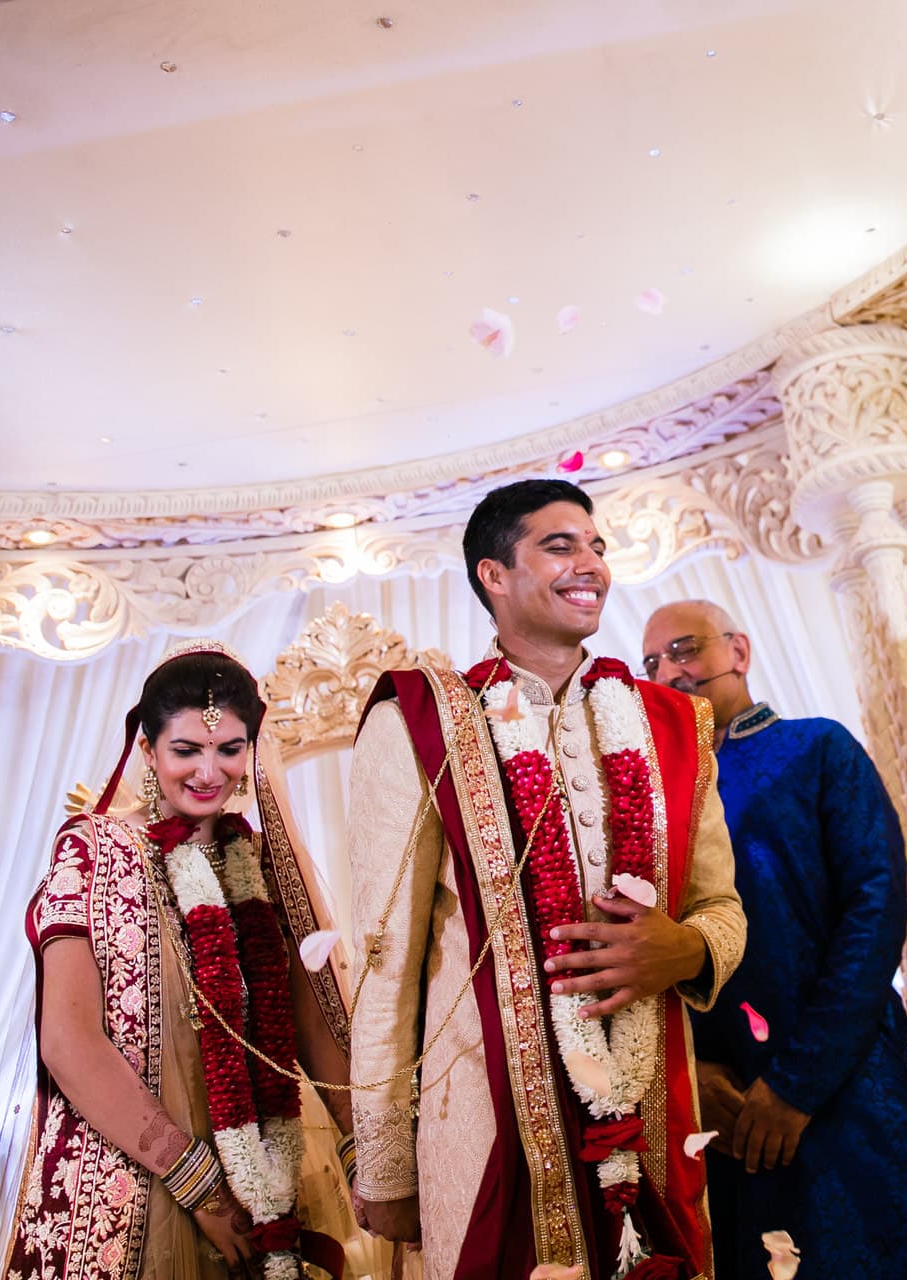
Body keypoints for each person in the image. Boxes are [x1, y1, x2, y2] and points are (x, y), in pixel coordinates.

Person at [346, 479, 748, 1278]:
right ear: (494, 575)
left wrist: (689, 951)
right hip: (488, 1123)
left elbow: (719, 906)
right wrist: (387, 1161)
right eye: (559, 546)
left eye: (596, 547)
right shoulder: (419, 721)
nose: (590, 563)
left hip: (654, 1115)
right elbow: (385, 959)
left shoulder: (674, 725)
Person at [4, 642, 371, 1279]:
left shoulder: (256, 860)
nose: (209, 771)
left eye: (230, 749)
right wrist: (194, 1180)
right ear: (148, 751)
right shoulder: (93, 854)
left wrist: (361, 1146)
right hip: (128, 1184)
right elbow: (66, 1041)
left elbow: (306, 1020)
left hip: (257, 1167)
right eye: (186, 750)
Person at [639, 599, 907, 1280]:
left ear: (738, 651)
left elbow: (874, 915)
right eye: (652, 663)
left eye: (686, 650)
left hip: (844, 1085)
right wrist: (692, 1075)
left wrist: (796, 1084)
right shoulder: (655, 796)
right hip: (721, 1106)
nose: (670, 672)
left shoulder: (818, 748)